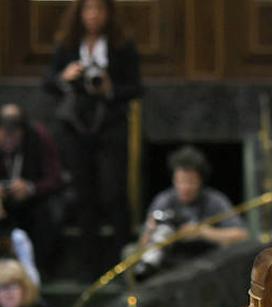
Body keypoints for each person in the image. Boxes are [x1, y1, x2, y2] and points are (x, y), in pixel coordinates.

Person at [42, 0, 142, 279]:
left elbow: (136, 87)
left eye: (99, 9)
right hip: (75, 125)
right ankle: (89, 267)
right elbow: (48, 82)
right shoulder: (67, 44)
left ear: (109, 13)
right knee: (83, 194)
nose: (94, 15)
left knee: (113, 191)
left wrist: (110, 88)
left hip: (109, 124)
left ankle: (122, 262)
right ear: (79, 13)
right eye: (88, 10)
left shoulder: (122, 45)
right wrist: (65, 76)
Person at [134, 146, 248, 278]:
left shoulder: (215, 201)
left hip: (207, 267)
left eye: (190, 182)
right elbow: (142, 247)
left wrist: (202, 232)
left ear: (200, 181)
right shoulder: (164, 200)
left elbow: (241, 235)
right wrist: (150, 231)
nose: (184, 187)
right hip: (169, 266)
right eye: (180, 181)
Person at [0, 104, 63, 277]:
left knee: (47, 212)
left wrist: (31, 188)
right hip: (3, 202)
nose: (8, 141)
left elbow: (55, 178)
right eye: (4, 135)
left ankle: (41, 271)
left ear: (23, 132)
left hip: (35, 198)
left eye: (14, 135)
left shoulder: (39, 137)